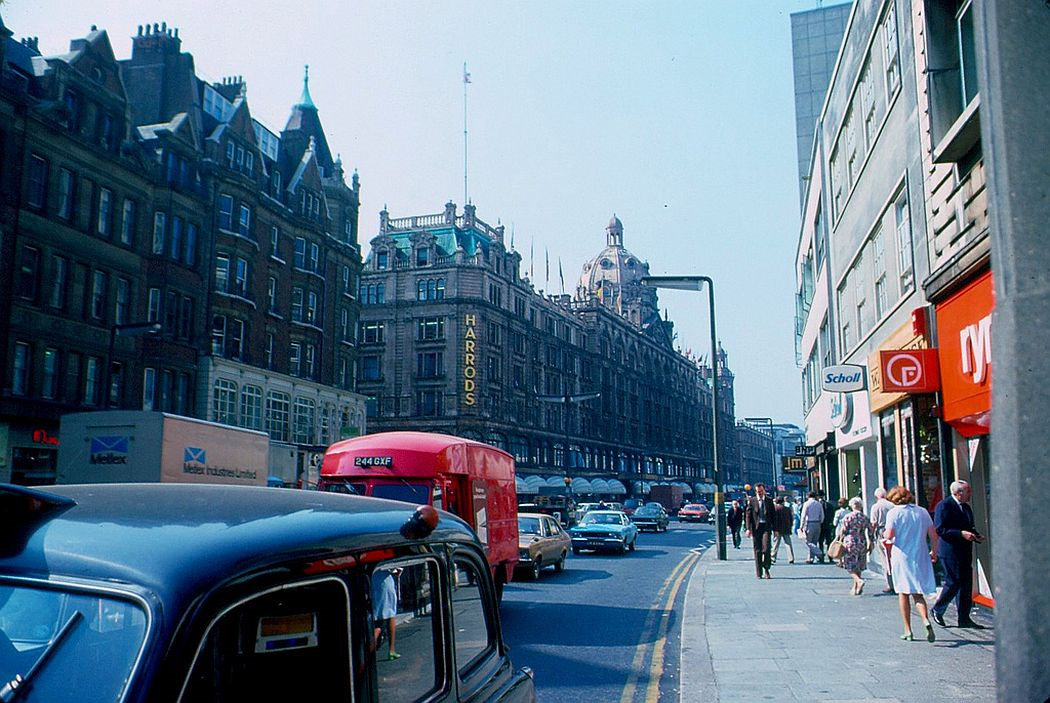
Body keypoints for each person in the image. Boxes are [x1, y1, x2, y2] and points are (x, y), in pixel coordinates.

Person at [884, 486, 938, 642]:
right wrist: (934, 552)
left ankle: (907, 629)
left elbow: (889, 535)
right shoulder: (922, 511)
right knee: (918, 592)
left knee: (903, 592)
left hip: (902, 555)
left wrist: (885, 535)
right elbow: (933, 535)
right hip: (920, 554)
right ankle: (925, 619)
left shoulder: (893, 513)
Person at [930, 480, 986, 629]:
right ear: (958, 493)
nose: (970, 495)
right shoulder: (944, 506)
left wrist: (975, 535)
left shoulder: (966, 508)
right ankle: (938, 608)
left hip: (965, 550)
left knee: (966, 584)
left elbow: (969, 527)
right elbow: (941, 529)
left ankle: (964, 618)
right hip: (950, 551)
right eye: (968, 492)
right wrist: (960, 534)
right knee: (954, 581)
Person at [837, 497, 874, 595]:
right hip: (861, 541)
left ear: (852, 505)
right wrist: (871, 542)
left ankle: (858, 580)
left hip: (850, 541)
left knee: (849, 564)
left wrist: (839, 540)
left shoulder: (848, 517)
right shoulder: (864, 517)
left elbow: (843, 531)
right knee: (858, 565)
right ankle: (856, 587)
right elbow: (870, 530)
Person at [744, 483, 776, 579]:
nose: (760, 493)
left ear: (764, 490)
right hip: (756, 528)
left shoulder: (769, 501)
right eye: (758, 491)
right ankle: (759, 573)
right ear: (756, 492)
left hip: (766, 527)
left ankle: (766, 568)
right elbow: (748, 515)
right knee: (757, 550)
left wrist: (776, 529)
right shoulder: (752, 501)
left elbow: (774, 516)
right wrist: (748, 529)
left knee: (766, 548)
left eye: (762, 491)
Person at [869, 486, 896, 593]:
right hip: (893, 532)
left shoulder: (876, 507)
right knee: (893, 557)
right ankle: (897, 581)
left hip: (881, 532)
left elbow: (873, 523)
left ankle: (890, 584)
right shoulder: (892, 506)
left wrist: (871, 536)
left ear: (876, 496)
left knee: (885, 559)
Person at [372, 567, 401, 660]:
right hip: (385, 583)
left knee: (379, 618)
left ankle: (391, 650)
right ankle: (391, 650)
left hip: (373, 582)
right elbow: (393, 567)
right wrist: (398, 570)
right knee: (389, 616)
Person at [799, 491, 825, 563]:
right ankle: (811, 558)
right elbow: (822, 515)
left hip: (809, 523)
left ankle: (819, 553)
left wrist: (801, 525)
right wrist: (820, 521)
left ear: (808, 496)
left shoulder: (806, 504)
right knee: (814, 541)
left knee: (808, 541)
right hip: (817, 523)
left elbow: (803, 515)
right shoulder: (819, 504)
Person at [771, 497, 795, 564]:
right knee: (788, 544)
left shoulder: (775, 509)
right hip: (786, 528)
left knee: (775, 544)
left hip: (777, 529)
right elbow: (791, 519)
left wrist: (773, 528)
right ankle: (791, 558)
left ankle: (773, 557)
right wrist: (790, 526)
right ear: (783, 502)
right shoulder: (787, 509)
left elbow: (773, 520)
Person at [818, 490, 836, 557]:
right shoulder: (829, 505)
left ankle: (821, 556)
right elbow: (832, 515)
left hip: (820, 525)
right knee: (829, 541)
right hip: (828, 525)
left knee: (820, 541)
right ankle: (830, 555)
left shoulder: (817, 504)